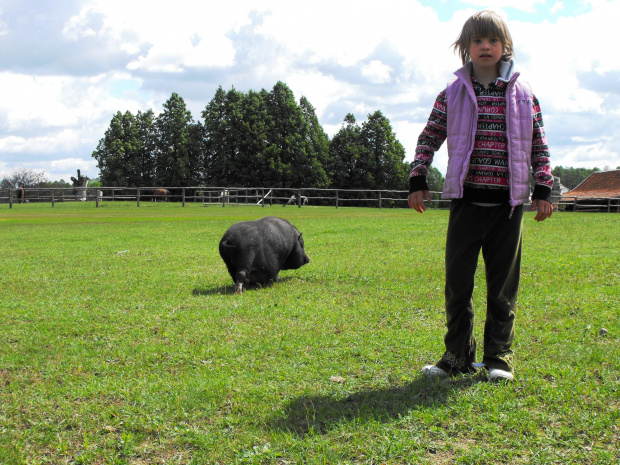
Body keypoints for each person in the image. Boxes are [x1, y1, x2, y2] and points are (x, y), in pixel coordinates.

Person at [408, 10, 553, 382]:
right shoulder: (452, 92)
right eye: (477, 40)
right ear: (465, 48)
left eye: (492, 40)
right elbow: (429, 137)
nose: (485, 46)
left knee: (502, 288)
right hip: (466, 205)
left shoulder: (523, 95)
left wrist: (543, 187)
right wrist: (418, 176)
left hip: (508, 208)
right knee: (458, 285)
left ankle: (499, 358)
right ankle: (456, 356)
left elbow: (539, 144)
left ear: (505, 46)